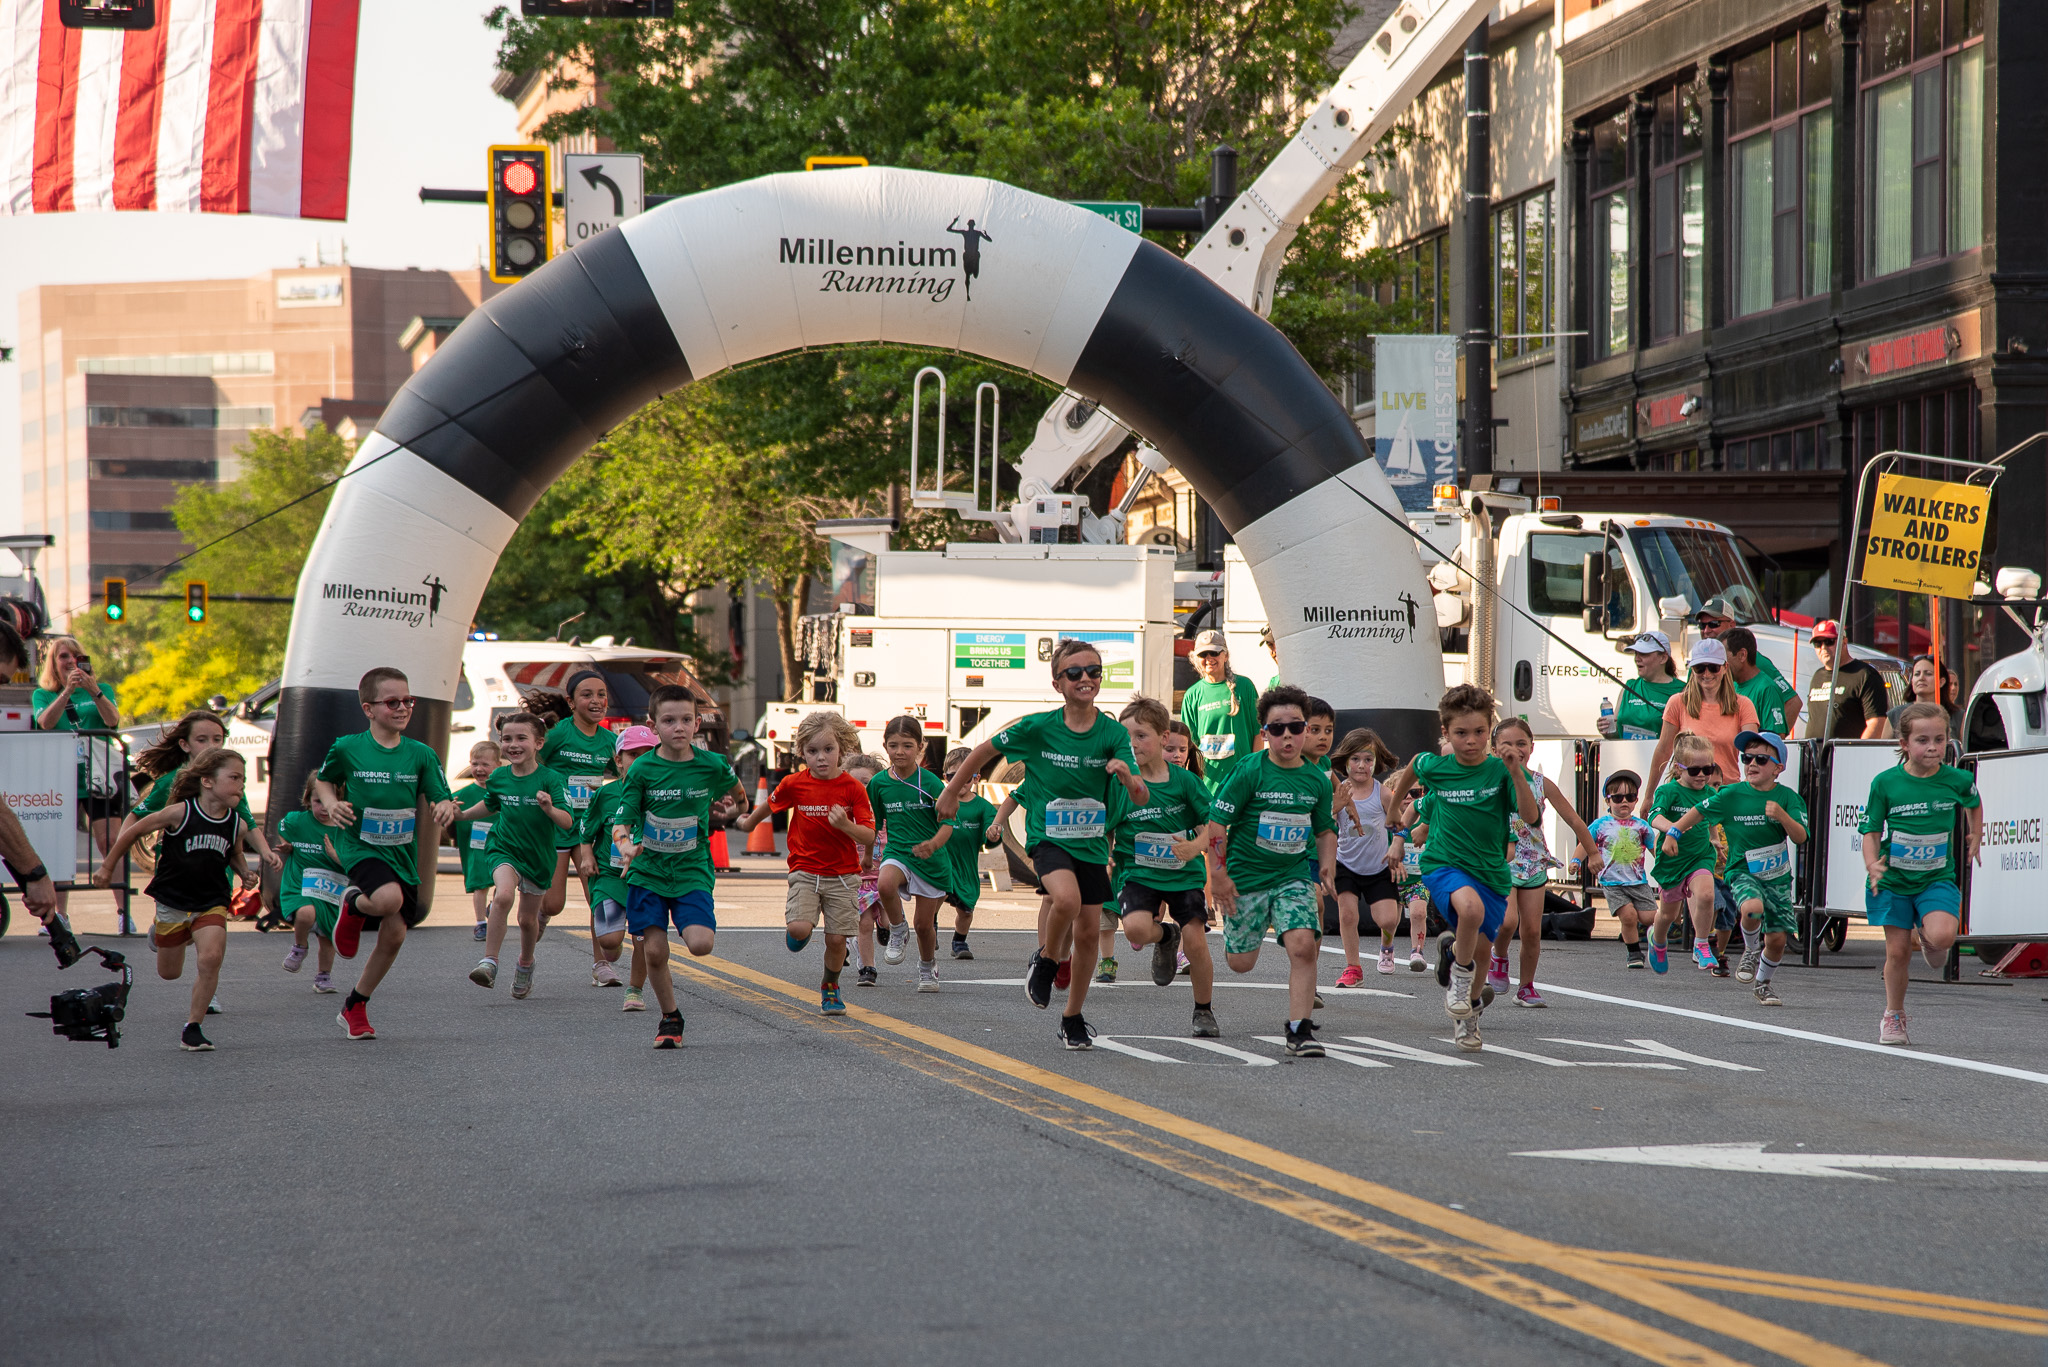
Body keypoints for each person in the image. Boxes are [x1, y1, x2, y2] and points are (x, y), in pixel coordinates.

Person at [937, 639, 1146, 1051]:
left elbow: (1140, 795)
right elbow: (982, 750)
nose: (1085, 678)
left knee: (1087, 935)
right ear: (1057, 683)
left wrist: (1126, 775)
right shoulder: (1038, 728)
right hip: (1049, 839)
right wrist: (950, 793)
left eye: (1094, 671)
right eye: (1075, 672)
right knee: (1063, 901)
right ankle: (1047, 960)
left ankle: (1072, 1017)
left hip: (1091, 844)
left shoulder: (1112, 734)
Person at [1384, 684, 1540, 1052]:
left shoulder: (1500, 772)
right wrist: (1394, 817)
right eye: (1460, 733)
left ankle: (1468, 1014)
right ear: (1446, 733)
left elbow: (1531, 817)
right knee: (1470, 909)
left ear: (1490, 731)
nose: (1471, 741)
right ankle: (1458, 973)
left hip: (1491, 871)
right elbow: (1411, 770)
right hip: (1444, 863)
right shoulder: (1433, 766)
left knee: (1483, 952)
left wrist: (1516, 773)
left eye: (1479, 732)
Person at [315, 667, 460, 1042]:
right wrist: (331, 804)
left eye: (407, 701)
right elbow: (324, 779)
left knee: (394, 935)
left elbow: (439, 794)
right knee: (387, 898)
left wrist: (444, 807)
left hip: (400, 852)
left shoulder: (421, 754)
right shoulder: (348, 747)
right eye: (392, 702)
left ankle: (355, 1005)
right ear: (368, 708)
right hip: (359, 844)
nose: (402, 708)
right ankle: (355, 904)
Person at [93, 748, 264, 1051]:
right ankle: (161, 930)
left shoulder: (237, 823)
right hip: (173, 901)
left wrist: (245, 874)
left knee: (210, 958)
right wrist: (107, 866)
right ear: (208, 781)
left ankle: (193, 1026)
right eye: (234, 777)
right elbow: (133, 831)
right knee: (169, 973)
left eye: (244, 779)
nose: (241, 785)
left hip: (211, 901)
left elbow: (235, 854)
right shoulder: (180, 813)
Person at [1198, 684, 1336, 1056]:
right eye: (1277, 728)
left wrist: (1326, 865)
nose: (1287, 735)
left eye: (1295, 726)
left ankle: (1300, 1030)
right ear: (1265, 733)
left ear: (1305, 729)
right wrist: (1219, 875)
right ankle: (1238, 938)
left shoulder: (1315, 780)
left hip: (1291, 876)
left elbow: (1324, 828)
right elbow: (1216, 824)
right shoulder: (1249, 771)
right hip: (1245, 880)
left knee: (1304, 946)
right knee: (1241, 963)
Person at [612, 684, 748, 1048]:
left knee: (701, 944)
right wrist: (625, 847)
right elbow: (621, 820)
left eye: (686, 720)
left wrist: (734, 811)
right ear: (653, 725)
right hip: (648, 871)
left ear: (697, 723)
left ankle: (671, 1012)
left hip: (691, 869)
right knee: (655, 951)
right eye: (669, 720)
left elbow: (738, 795)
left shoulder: (713, 765)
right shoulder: (642, 769)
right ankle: (670, 1018)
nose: (679, 727)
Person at [734, 711, 876, 1015]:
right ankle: (800, 929)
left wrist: (846, 826)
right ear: (802, 753)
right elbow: (770, 805)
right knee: (799, 929)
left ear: (842, 749)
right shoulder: (794, 783)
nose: (821, 758)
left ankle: (830, 987)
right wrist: (748, 824)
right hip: (805, 870)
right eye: (812, 751)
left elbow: (868, 834)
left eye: (828, 750)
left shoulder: (853, 788)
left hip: (842, 876)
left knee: (837, 939)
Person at [1860, 702, 1981, 1047]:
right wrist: (1872, 865)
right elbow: (1870, 830)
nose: (1932, 747)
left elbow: (1973, 801)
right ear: (1904, 743)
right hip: (1893, 880)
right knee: (1897, 952)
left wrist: (1977, 833)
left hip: (1935, 877)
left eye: (1939, 739)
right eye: (1923, 740)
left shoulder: (1957, 779)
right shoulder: (1885, 783)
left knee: (1944, 936)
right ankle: (1894, 1015)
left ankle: (1927, 937)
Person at [1665, 730, 1808, 1006]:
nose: (1752, 764)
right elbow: (1699, 812)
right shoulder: (1731, 794)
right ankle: (1752, 949)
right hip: (1742, 871)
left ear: (1778, 768)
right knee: (1752, 908)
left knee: (1777, 940)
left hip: (1776, 878)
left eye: (1761, 760)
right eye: (1747, 758)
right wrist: (1674, 832)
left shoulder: (1788, 798)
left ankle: (1763, 984)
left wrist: (1781, 816)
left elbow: (1800, 837)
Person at [1105, 696, 1209, 1018]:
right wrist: (1104, 854)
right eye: (1127, 737)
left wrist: (1195, 847)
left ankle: (1203, 1010)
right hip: (1137, 872)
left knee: (1195, 941)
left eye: (1141, 736)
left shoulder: (1185, 782)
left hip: (1183, 873)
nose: (1133, 744)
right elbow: (1104, 826)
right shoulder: (1120, 785)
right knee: (1135, 930)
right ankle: (1166, 934)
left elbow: (1215, 827)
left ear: (1164, 738)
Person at [461, 713, 574, 998]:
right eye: (507, 739)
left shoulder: (551, 779)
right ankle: (489, 962)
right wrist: (462, 815)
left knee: (527, 921)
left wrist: (549, 809)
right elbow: (490, 805)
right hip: (504, 847)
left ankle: (525, 963)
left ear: (538, 743)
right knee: (503, 895)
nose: (513, 744)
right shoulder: (499, 776)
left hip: (537, 857)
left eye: (521, 738)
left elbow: (568, 821)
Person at [1491, 717, 1600, 1007]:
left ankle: (1526, 987)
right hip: (1500, 860)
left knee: (1531, 930)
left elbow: (1575, 820)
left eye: (1521, 743)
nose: (1515, 749)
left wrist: (1593, 852)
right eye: (1507, 744)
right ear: (1493, 750)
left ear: (1531, 747)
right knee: (1507, 921)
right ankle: (1498, 957)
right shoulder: (1489, 782)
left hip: (1534, 863)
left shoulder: (1540, 783)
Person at [32, 634, 124, 919]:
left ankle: (123, 909)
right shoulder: (43, 694)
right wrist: (67, 692)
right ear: (53, 663)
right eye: (63, 657)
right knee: (60, 845)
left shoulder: (102, 688)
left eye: (75, 656)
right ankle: (59, 914)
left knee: (110, 841)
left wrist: (94, 691)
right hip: (61, 776)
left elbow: (112, 720)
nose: (70, 661)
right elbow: (45, 723)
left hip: (99, 777)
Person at [865, 716, 954, 992]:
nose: (899, 752)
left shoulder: (931, 784)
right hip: (898, 851)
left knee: (925, 925)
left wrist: (934, 845)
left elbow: (948, 824)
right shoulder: (879, 784)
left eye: (907, 745)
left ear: (920, 747)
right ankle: (897, 929)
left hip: (931, 860)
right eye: (893, 745)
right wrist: (868, 855)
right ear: (885, 746)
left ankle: (927, 968)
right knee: (885, 883)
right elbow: (872, 824)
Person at [538, 671, 618, 978]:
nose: (596, 700)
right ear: (571, 702)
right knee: (554, 903)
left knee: (596, 897)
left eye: (601, 694)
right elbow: (533, 763)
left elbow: (627, 772)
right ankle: (541, 914)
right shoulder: (558, 734)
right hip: (558, 826)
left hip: (591, 831)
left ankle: (602, 965)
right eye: (587, 695)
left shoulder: (611, 741)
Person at [581, 726, 658, 1008]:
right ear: (619, 760)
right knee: (611, 943)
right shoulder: (607, 795)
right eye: (633, 754)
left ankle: (634, 991)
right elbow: (586, 831)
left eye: (647, 754)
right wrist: (587, 856)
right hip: (609, 876)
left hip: (646, 878)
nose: (640, 760)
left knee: (644, 939)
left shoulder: (662, 793)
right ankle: (611, 944)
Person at [1327, 727, 1400, 985]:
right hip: (1345, 864)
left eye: (1368, 760)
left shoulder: (1382, 793)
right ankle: (1353, 968)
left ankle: (1387, 947)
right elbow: (1322, 827)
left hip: (1378, 866)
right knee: (1347, 915)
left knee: (1388, 919)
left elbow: (1399, 825)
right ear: (1345, 761)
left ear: (1377, 762)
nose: (1361, 765)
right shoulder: (1339, 792)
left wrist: (1397, 849)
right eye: (1355, 759)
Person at [1649, 732, 1721, 974]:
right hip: (1673, 859)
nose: (1702, 775)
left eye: (1708, 769)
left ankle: (1701, 944)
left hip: (1700, 855)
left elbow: (1711, 819)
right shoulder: (1669, 792)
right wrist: (1673, 830)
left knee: (1707, 895)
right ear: (1679, 769)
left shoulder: (1711, 794)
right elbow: (1654, 816)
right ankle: (1657, 940)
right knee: (1669, 915)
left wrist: (1714, 839)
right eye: (1694, 770)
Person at [1650, 638, 1759, 787]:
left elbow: (1753, 753)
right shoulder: (1677, 702)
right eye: (1700, 668)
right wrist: (1649, 795)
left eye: (1713, 667)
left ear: (1725, 667)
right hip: (1687, 792)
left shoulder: (1743, 705)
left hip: (1724, 791)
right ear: (1692, 670)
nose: (1706, 674)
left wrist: (1747, 789)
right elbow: (1663, 751)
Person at [273, 772, 342, 994]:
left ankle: (323, 976)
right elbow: (283, 829)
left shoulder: (345, 829)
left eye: (329, 801)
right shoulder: (297, 821)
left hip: (331, 889)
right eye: (317, 801)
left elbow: (355, 862)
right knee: (305, 913)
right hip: (300, 884)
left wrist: (336, 856)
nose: (323, 808)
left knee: (327, 938)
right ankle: (300, 947)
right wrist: (287, 846)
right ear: (308, 799)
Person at [1583, 770, 1657, 968]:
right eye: (1617, 798)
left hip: (1638, 880)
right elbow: (1585, 843)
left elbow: (1654, 847)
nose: (1624, 801)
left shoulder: (1641, 826)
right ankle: (1634, 953)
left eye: (1630, 797)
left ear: (1636, 800)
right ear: (1608, 801)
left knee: (1650, 918)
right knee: (1629, 916)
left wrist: (1666, 863)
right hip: (1612, 882)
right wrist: (1576, 859)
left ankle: (1654, 939)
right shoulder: (1600, 825)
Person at [935, 746, 999, 962]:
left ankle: (959, 941)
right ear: (945, 777)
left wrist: (993, 833)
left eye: (967, 777)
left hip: (966, 867)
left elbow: (991, 833)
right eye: (954, 776)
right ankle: (930, 925)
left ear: (977, 777)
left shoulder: (983, 807)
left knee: (966, 912)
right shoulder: (939, 801)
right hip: (942, 863)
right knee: (937, 894)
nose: (961, 782)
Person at [1178, 629, 1260, 792]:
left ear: (1226, 655)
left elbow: (1257, 733)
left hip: (1242, 782)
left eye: (1214, 653)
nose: (1209, 659)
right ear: (1196, 658)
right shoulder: (1192, 695)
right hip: (1208, 785)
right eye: (1203, 654)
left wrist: (1255, 772)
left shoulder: (1245, 687)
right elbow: (1188, 745)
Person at [1801, 620, 1890, 741]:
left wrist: (1856, 753)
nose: (1823, 648)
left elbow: (1877, 723)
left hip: (1845, 755)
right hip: (1814, 755)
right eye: (1818, 644)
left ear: (1844, 642)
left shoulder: (1865, 675)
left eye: (1829, 642)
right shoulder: (1817, 676)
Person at [451, 740, 503, 942]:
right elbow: (445, 804)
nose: (479, 769)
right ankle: (480, 922)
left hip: (501, 845)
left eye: (485, 764)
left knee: (504, 884)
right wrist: (449, 807)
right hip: (477, 847)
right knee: (481, 884)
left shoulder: (503, 791)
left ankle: (495, 906)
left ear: (498, 765)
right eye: (474, 764)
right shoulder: (464, 794)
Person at [843, 752, 887, 987]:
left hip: (885, 877)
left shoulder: (884, 813)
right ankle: (867, 968)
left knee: (888, 920)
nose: (860, 788)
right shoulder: (844, 815)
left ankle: (886, 925)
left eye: (866, 783)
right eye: (854, 783)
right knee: (864, 923)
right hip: (857, 879)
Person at [1597, 632, 1684, 740]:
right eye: (1636, 653)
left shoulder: (1682, 690)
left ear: (1663, 658)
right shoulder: (1628, 688)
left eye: (1643, 654)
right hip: (1627, 755)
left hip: (1661, 756)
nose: (1637, 658)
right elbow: (1616, 734)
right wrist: (1606, 730)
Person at [1722, 627, 1802, 737]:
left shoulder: (1767, 689)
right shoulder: (1732, 685)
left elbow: (1774, 740)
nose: (1720, 663)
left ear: (1742, 655)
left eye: (1723, 657)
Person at [1887, 654, 1961, 739]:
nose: (1921, 678)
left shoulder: (1958, 716)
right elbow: (1882, 750)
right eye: (1917, 674)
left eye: (1928, 674)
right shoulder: (1894, 715)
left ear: (1941, 682)